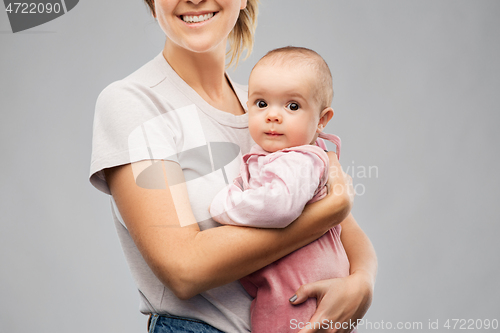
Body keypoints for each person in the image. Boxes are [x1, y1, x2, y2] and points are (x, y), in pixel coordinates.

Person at [89, 1, 377, 332]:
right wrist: (327, 212)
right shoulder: (134, 103)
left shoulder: (268, 108)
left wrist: (362, 285)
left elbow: (347, 233)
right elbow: (184, 270)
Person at [209, 46, 355, 333]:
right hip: (297, 289)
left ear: (322, 120)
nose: (273, 116)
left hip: (296, 296)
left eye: (292, 106)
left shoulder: (299, 160)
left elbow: (278, 206)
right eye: (261, 104)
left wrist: (226, 203)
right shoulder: (287, 156)